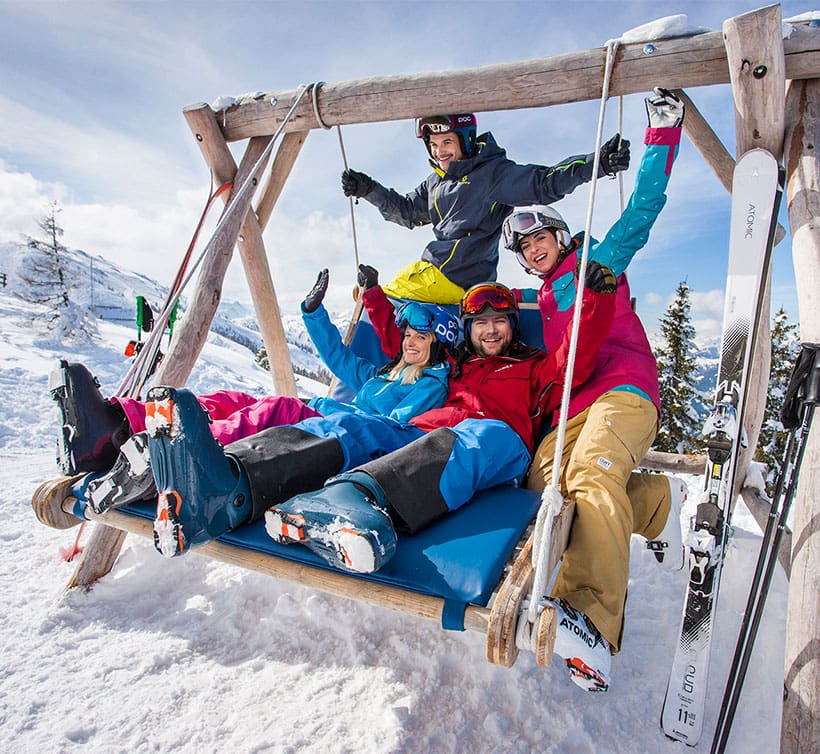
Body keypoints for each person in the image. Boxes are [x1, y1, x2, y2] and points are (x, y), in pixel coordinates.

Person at [150, 270, 617, 691]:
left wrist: (595, 298)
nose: (490, 329)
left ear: (513, 326)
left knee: (479, 435)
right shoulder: (454, 367)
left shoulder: (536, 367)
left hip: (497, 446)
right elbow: (405, 339)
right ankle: (231, 485)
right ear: (469, 331)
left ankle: (357, 496)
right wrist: (373, 295)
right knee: (354, 425)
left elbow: (576, 354)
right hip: (421, 433)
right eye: (480, 322)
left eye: (500, 320)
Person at [32, 271, 457, 539]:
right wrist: (314, 313)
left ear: (438, 343)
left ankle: (183, 449)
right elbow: (341, 360)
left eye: (421, 338)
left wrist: (328, 410)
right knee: (231, 400)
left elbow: (391, 423)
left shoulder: (433, 384)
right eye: (407, 337)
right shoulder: (384, 373)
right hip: (326, 410)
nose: (410, 343)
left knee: (275, 410)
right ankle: (114, 427)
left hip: (349, 429)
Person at [500, 88, 689, 671]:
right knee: (540, 486)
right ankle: (653, 505)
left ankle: (591, 620)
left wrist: (660, 135)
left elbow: (642, 210)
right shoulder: (536, 301)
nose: (534, 250)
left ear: (559, 235)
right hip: (570, 404)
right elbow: (481, 314)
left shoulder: (597, 264)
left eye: (540, 238)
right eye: (524, 248)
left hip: (623, 389)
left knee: (590, 473)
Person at [340, 113, 630, 303]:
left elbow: (543, 183)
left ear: (465, 141)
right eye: (434, 145)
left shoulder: (491, 174)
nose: (440, 151)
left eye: (447, 142)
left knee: (375, 302)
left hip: (458, 277)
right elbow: (407, 212)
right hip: (431, 272)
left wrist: (598, 164)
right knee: (367, 299)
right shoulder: (435, 183)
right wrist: (369, 190)